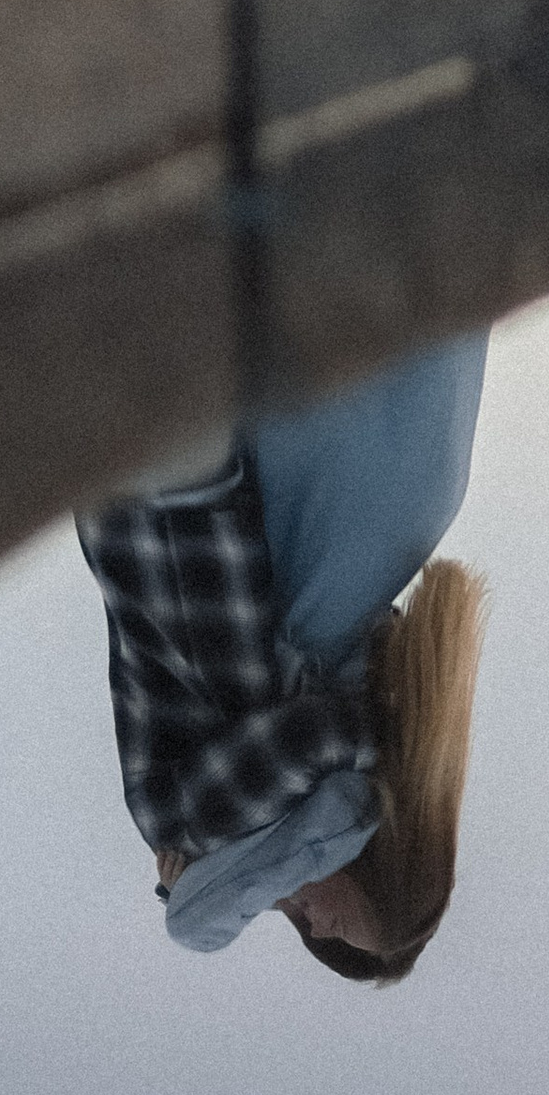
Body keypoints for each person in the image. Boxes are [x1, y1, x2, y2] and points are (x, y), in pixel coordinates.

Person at [78, 335, 490, 978]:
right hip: (167, 469)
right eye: (341, 924)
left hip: (173, 462)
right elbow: (198, 921)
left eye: (317, 934)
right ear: (375, 864)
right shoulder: (197, 816)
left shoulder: (344, 666)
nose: (312, 923)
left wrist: (190, 876)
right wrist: (188, 894)